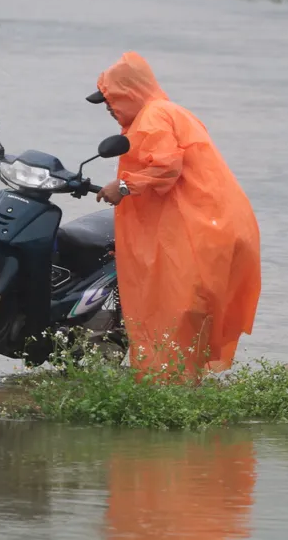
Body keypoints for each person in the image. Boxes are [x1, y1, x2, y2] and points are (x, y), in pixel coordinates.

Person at [87, 51, 261, 381]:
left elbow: (166, 167)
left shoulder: (153, 117)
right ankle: (182, 388)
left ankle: (166, 388)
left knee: (170, 310)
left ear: (131, 92)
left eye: (111, 99)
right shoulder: (172, 113)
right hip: (218, 225)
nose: (108, 108)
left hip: (200, 229)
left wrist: (123, 186)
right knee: (186, 312)